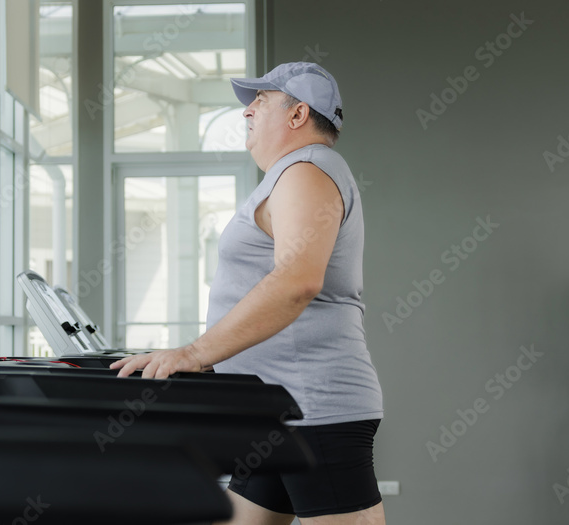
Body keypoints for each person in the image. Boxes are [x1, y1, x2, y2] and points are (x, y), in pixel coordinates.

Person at [111, 62, 384, 525]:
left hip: (313, 409)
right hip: (273, 409)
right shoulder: (291, 174)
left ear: (298, 115)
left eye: (261, 100)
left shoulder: (307, 170)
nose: (247, 111)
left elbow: (298, 280)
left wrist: (195, 353)